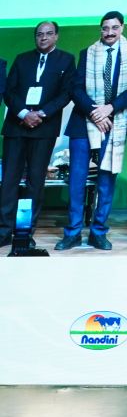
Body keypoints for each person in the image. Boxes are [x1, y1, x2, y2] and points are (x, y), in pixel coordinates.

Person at [58, 11, 127, 251]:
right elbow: (75, 88)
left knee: (106, 180)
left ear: (122, 28)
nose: (109, 32)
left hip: (115, 122)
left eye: (114, 28)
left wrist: (110, 108)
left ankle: (98, 232)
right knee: (77, 180)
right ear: (100, 30)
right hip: (83, 122)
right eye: (105, 28)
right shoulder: (88, 52)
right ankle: (73, 232)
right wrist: (94, 112)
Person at [2, 22, 75, 254]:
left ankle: (25, 233)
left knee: (35, 182)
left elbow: (66, 93)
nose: (43, 37)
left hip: (44, 128)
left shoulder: (66, 60)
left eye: (48, 34)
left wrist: (41, 113)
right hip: (16, 127)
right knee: (9, 182)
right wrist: (24, 113)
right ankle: (3, 231)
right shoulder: (22, 59)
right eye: (39, 34)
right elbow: (8, 91)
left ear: (56, 36)